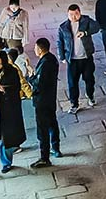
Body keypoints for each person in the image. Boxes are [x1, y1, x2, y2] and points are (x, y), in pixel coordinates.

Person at [57, 4, 100, 112]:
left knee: (89, 79)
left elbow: (97, 27)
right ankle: (74, 103)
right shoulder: (63, 27)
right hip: (72, 60)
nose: (73, 16)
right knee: (72, 83)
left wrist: (85, 32)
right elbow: (60, 42)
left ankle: (90, 95)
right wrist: (62, 56)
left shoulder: (86, 20)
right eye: (71, 14)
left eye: (76, 14)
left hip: (86, 58)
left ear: (80, 13)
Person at [29, 37, 61, 167]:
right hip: (50, 99)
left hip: (42, 101)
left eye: (35, 47)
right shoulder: (52, 59)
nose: (34, 50)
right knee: (52, 123)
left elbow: (39, 83)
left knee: (43, 129)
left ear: (40, 49)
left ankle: (44, 157)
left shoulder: (45, 63)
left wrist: (31, 77)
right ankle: (56, 148)